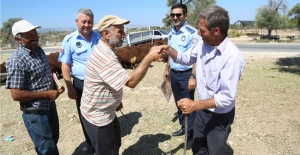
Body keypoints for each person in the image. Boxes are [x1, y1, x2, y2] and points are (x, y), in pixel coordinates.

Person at [157, 5, 245, 155]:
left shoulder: (232, 57)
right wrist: (168, 49)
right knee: (198, 149)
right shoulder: (203, 45)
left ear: (216, 31)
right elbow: (185, 58)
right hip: (202, 112)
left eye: (202, 30)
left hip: (219, 116)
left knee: (215, 151)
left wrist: (194, 105)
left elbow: (226, 98)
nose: (198, 32)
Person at [80, 15, 163, 155]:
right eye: (120, 31)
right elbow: (130, 82)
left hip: (106, 112)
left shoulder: (108, 50)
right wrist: (149, 57)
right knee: (107, 151)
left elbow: (109, 79)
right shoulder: (104, 56)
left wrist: (115, 100)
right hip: (98, 117)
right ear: (106, 34)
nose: (124, 35)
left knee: (113, 145)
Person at [5, 20, 65, 155]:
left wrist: (56, 86)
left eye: (35, 33)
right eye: (29, 35)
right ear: (18, 39)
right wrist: (46, 94)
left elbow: (44, 75)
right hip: (35, 112)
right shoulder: (17, 60)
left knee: (52, 141)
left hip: (49, 106)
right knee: (46, 149)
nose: (35, 37)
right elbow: (16, 95)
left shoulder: (39, 50)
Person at [58, 8, 100, 153]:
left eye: (90, 22)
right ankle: (92, 146)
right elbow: (64, 65)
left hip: (101, 83)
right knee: (86, 116)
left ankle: (102, 143)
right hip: (81, 84)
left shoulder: (99, 37)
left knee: (102, 112)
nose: (87, 25)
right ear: (77, 22)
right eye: (84, 21)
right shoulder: (69, 40)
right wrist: (69, 87)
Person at [163, 3, 200, 148]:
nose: (175, 17)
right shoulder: (171, 32)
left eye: (178, 15)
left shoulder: (191, 32)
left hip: (186, 74)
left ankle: (190, 136)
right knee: (179, 103)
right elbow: (170, 53)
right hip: (174, 73)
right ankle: (183, 128)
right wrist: (167, 68)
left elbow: (197, 56)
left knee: (188, 105)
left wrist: (193, 76)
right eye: (173, 15)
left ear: (185, 15)